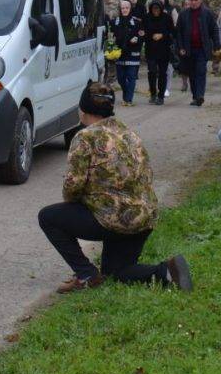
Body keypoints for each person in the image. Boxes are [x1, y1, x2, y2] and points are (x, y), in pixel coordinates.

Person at [38, 83, 193, 293]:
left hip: (113, 219)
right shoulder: (128, 133)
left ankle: (86, 274)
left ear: (83, 110)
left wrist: (76, 206)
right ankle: (166, 271)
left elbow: (73, 185)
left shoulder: (85, 137)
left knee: (48, 217)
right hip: (143, 218)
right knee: (117, 272)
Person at [176, 0, 221, 106]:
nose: (194, 2)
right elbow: (179, 33)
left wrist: (217, 44)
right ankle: (195, 96)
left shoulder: (207, 13)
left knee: (201, 71)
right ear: (188, 1)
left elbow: (214, 29)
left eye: (196, 0)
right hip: (188, 48)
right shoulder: (183, 14)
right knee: (192, 73)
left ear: (200, 0)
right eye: (191, 0)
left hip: (202, 48)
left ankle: (200, 95)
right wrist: (180, 47)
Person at [112, 0, 143, 106]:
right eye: (123, 8)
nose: (125, 10)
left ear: (130, 9)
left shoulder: (137, 22)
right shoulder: (114, 22)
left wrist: (137, 39)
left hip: (132, 54)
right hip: (119, 54)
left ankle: (128, 99)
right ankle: (126, 93)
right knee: (120, 78)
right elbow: (110, 36)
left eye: (127, 8)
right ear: (120, 9)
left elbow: (142, 36)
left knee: (131, 77)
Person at [144, 0, 174, 105]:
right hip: (150, 49)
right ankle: (153, 93)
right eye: (153, 9)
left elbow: (172, 31)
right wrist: (150, 35)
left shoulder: (167, 18)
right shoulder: (147, 17)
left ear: (161, 9)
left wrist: (162, 35)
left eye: (157, 9)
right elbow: (143, 31)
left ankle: (161, 96)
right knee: (152, 72)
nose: (155, 11)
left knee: (162, 73)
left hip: (163, 50)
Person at [155, 0, 178, 98]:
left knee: (168, 67)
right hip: (154, 42)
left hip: (167, 41)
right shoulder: (152, 9)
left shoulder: (171, 10)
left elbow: (175, 25)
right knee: (156, 68)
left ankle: (166, 88)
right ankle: (157, 88)